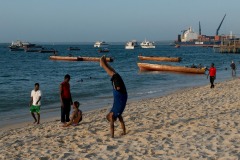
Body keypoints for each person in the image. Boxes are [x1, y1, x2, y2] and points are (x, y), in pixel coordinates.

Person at [100, 55, 128, 138]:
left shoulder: (118, 114)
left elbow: (122, 122)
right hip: (119, 91)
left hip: (123, 93)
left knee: (115, 74)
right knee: (113, 74)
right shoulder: (115, 114)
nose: (109, 112)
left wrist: (124, 132)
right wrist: (112, 136)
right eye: (108, 114)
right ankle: (103, 65)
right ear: (110, 117)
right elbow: (112, 125)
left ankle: (105, 63)